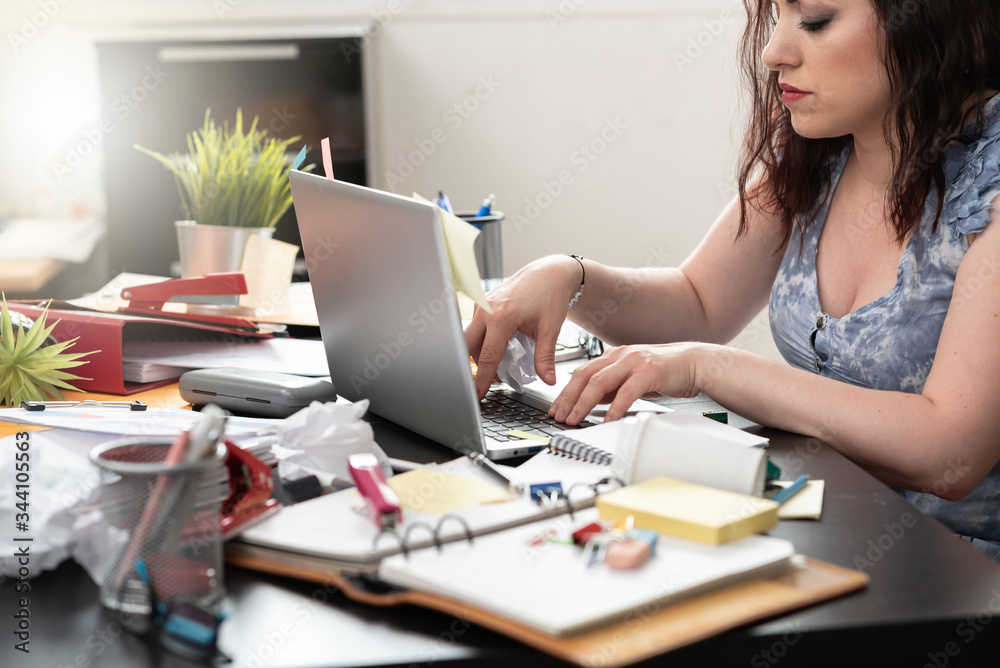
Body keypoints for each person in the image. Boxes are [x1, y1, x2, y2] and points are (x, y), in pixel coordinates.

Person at [465, 0, 1000, 560]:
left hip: (960, 580)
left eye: (815, 21)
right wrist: (568, 276)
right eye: (777, 21)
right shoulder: (822, 147)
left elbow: (949, 453)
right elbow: (698, 302)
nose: (774, 54)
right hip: (835, 532)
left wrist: (707, 366)